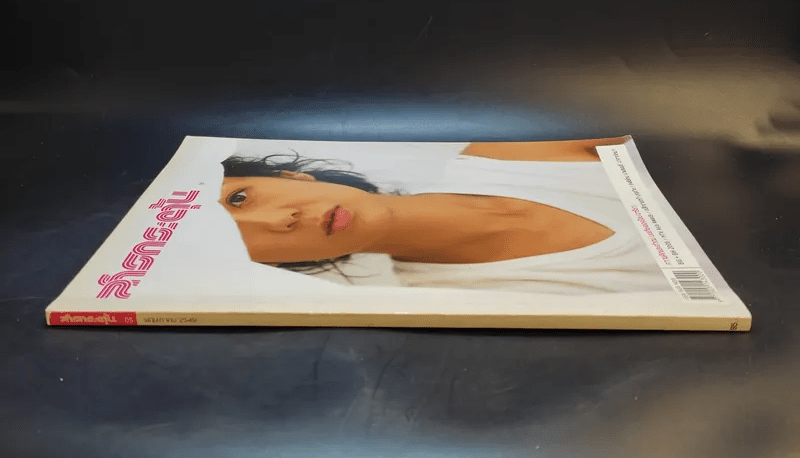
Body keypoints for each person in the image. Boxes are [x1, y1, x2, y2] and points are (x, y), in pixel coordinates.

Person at [218, 137, 667, 294]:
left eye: (239, 199)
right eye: (231, 239)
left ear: (292, 176)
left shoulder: (510, 153)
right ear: (271, 266)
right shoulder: (460, 306)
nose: (278, 221)